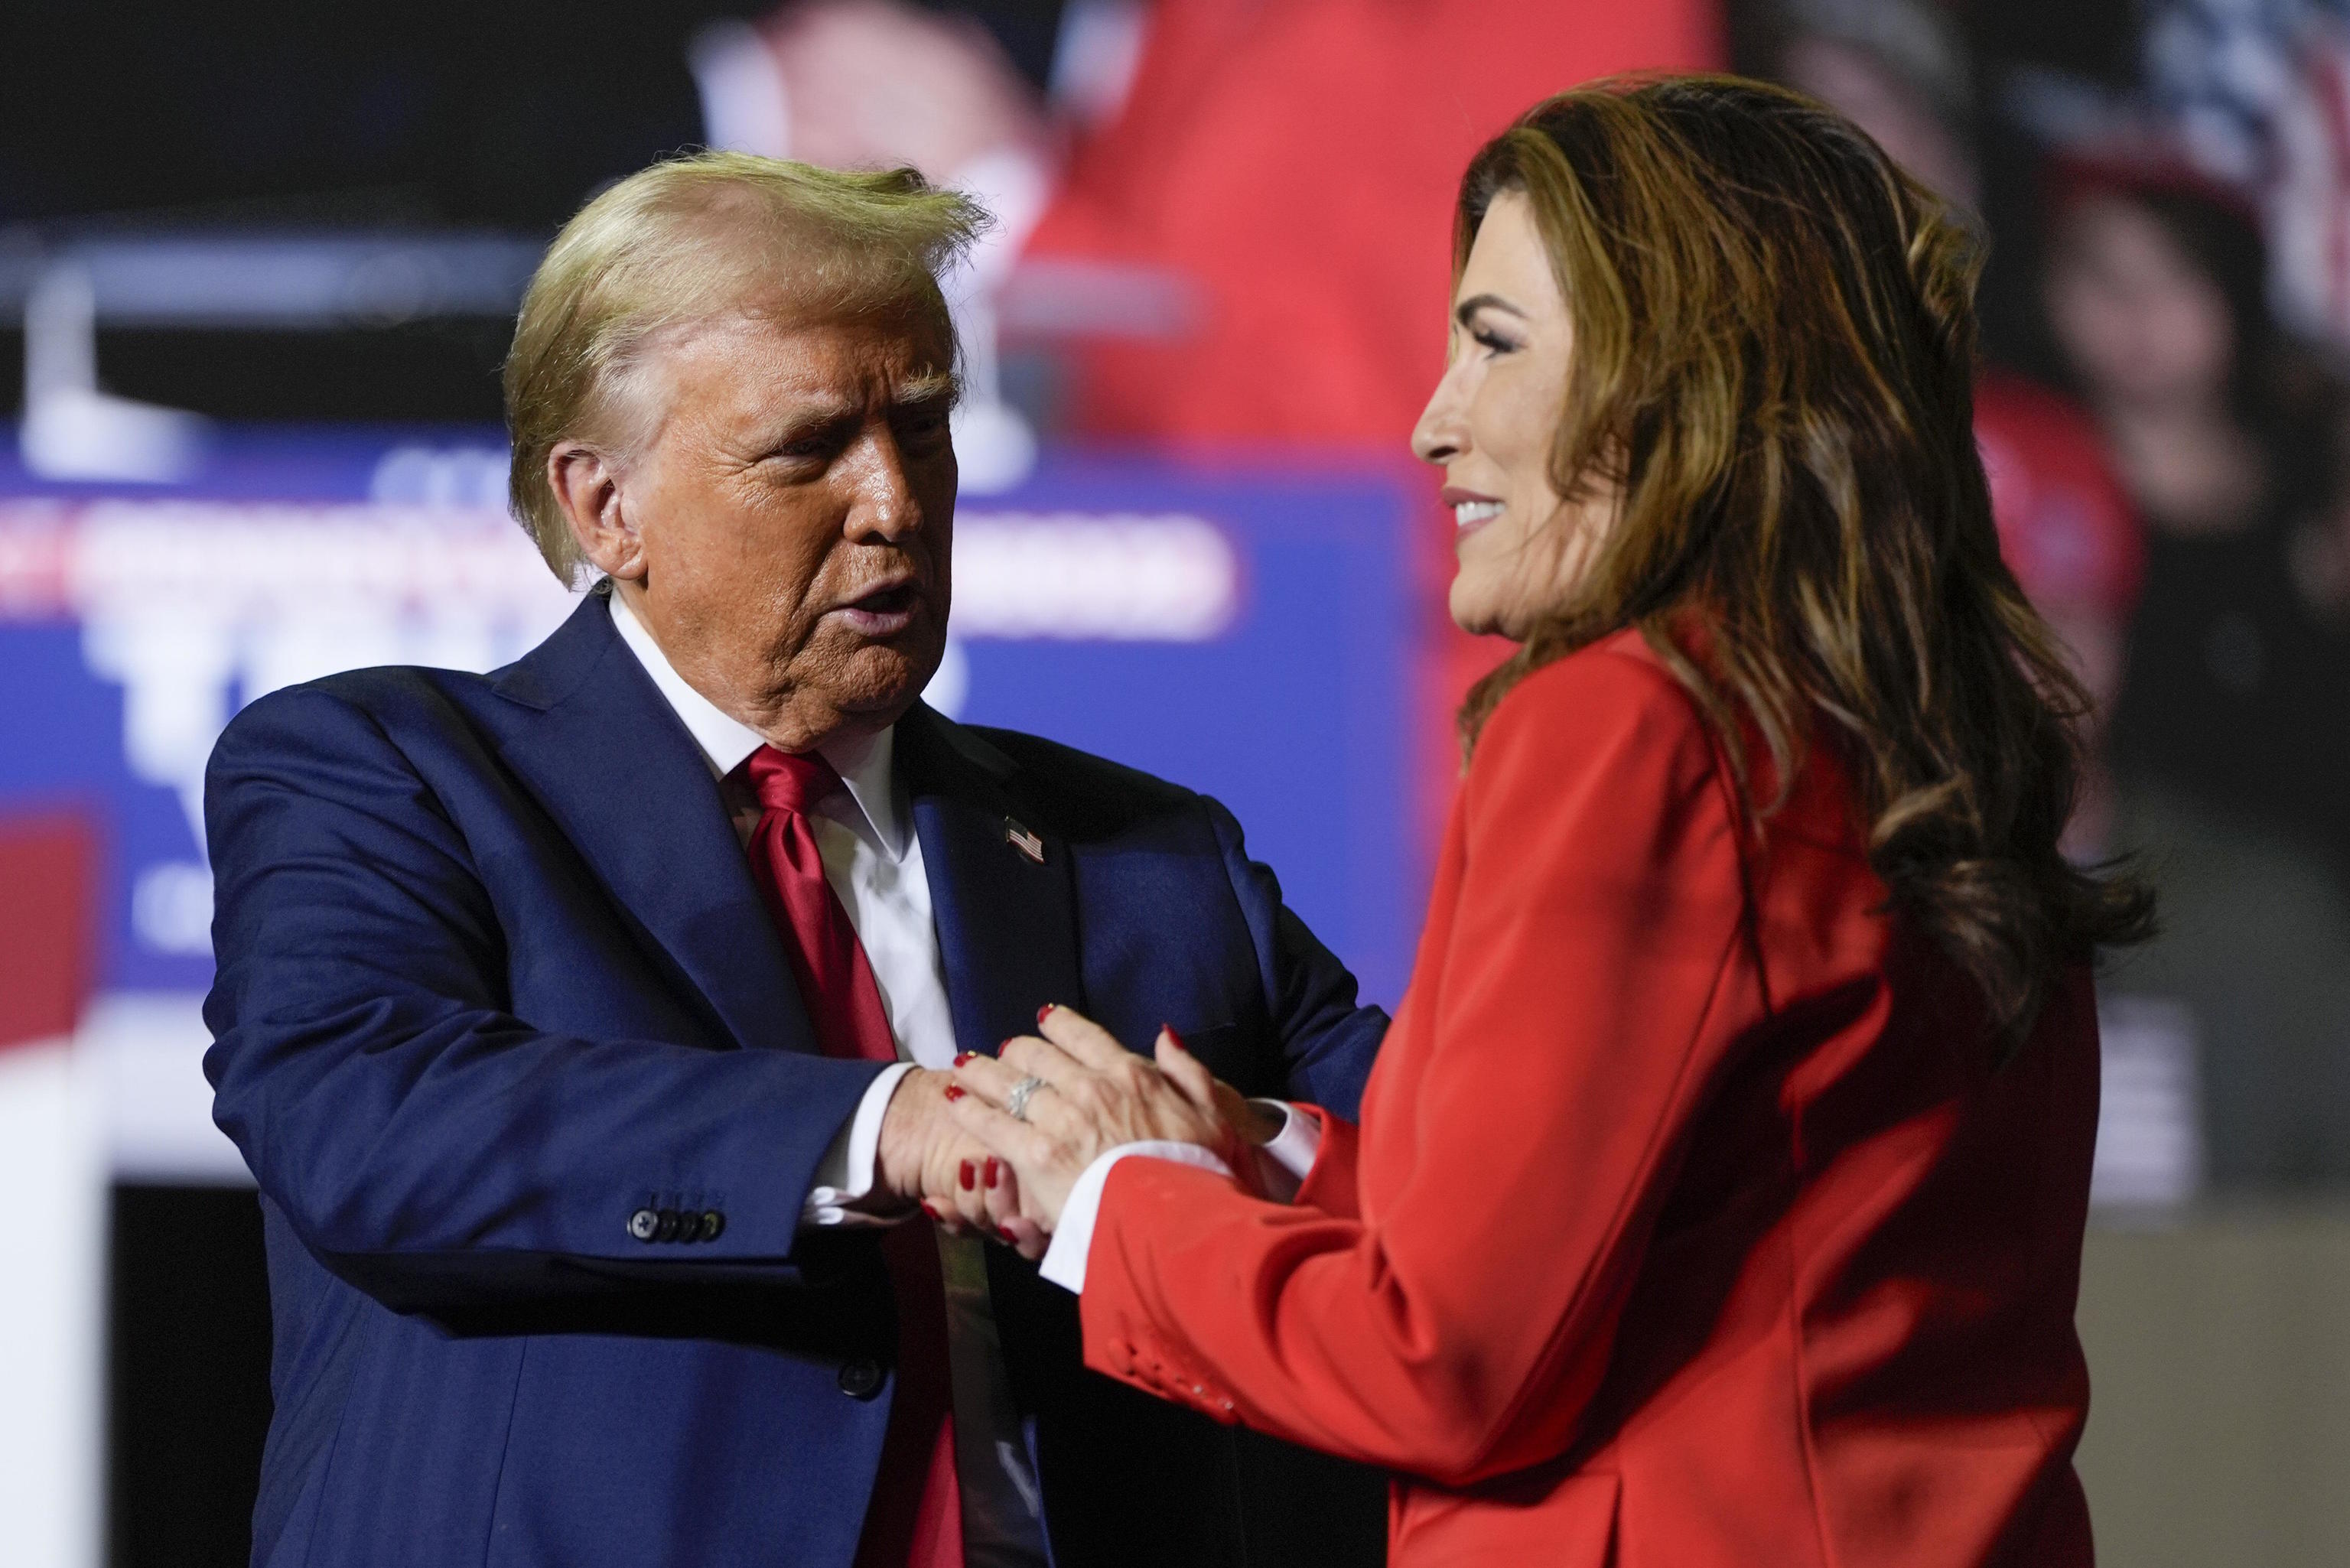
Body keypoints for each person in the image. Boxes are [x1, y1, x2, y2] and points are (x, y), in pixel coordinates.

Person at [942, 77, 2155, 1567]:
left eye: (1494, 343)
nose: (1433, 422)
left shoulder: (1633, 719)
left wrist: (1110, 1204)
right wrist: (1255, 1154)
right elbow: (1712, 1224)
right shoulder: (1933, 720)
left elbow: (1446, 1358)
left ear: (1678, 379)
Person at [200, 153, 1388, 1568]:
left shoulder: (1153, 855)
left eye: (925, 429)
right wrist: (892, 1126)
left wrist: (1238, 1144)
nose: (893, 502)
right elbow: (372, 1121)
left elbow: (1442, 1173)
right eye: (808, 447)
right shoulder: (387, 769)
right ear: (605, 507)